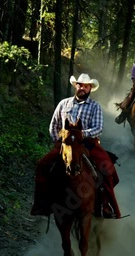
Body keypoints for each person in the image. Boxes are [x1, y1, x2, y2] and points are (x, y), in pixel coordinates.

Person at [31, 73, 122, 219]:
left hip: (88, 144)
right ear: (76, 86)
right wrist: (59, 141)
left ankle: (105, 204)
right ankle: (41, 204)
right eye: (80, 85)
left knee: (107, 169)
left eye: (85, 86)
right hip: (65, 144)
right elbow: (53, 125)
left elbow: (98, 128)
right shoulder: (64, 104)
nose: (82, 88)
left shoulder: (95, 107)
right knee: (43, 165)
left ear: (90, 88)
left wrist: (81, 134)